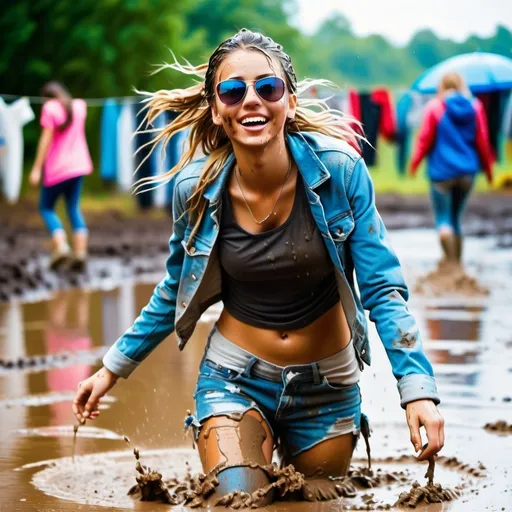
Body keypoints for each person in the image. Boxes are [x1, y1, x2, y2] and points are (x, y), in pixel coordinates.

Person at [73, 29, 444, 503]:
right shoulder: (195, 190)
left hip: (327, 387)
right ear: (215, 108)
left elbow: (382, 289)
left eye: (267, 88)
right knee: (236, 500)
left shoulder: (343, 173)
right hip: (234, 378)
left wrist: (417, 391)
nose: (251, 101)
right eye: (233, 90)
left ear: (288, 100)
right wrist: (111, 369)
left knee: (312, 500)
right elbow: (173, 290)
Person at [410, 72, 493, 265]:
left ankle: (450, 264)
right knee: (456, 218)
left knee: (443, 219)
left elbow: (425, 139)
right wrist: (488, 170)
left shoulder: (435, 108)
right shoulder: (476, 107)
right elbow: (482, 141)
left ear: (442, 86)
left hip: (441, 173)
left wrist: (414, 163)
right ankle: (458, 266)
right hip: (467, 173)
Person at [29, 81, 93, 271]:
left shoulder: (50, 108)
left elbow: (45, 140)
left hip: (58, 168)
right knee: (73, 208)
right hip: (79, 165)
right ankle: (80, 253)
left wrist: (36, 168)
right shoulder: (79, 106)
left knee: (46, 207)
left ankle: (62, 247)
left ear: (47, 97)